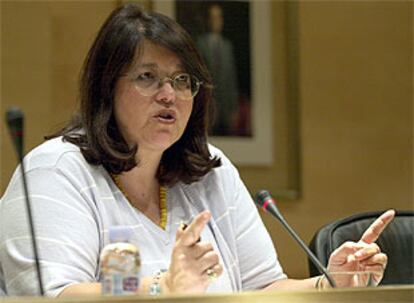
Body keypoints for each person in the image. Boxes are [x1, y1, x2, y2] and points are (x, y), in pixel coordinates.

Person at [0, 4, 394, 297]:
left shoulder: (212, 171)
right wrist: (163, 287)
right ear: (107, 88)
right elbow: (53, 295)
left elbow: (266, 288)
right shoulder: (54, 172)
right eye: (147, 77)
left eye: (181, 79)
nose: (169, 94)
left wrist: (332, 284)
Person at [196, 3, 239, 136]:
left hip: (225, 106)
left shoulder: (227, 46)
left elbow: (231, 78)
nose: (216, 21)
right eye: (213, 17)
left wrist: (233, 107)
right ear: (207, 20)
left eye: (219, 17)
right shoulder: (200, 44)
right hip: (209, 106)